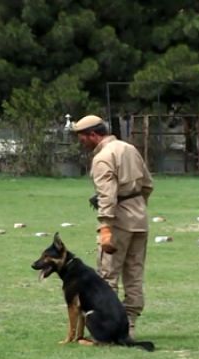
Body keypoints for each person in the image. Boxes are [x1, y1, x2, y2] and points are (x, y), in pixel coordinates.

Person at [73, 114, 154, 338]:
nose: (82, 143)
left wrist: (106, 226)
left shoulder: (103, 157)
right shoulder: (129, 148)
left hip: (118, 220)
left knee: (107, 275)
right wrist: (137, 207)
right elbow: (147, 184)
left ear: (93, 134)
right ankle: (131, 324)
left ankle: (109, 326)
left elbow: (107, 195)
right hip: (140, 218)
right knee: (135, 274)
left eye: (82, 138)